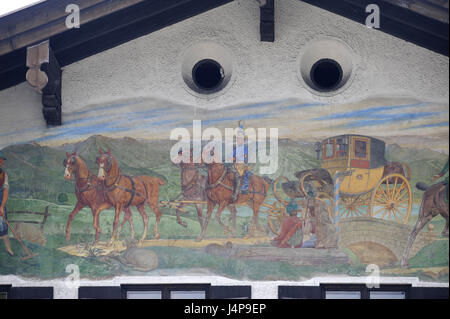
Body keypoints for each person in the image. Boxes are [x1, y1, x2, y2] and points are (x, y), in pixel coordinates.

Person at [229, 122, 252, 202]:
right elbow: (232, 156)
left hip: (242, 164)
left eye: (240, 139)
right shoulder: (235, 148)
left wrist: (237, 158)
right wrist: (232, 159)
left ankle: (239, 192)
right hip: (235, 164)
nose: (239, 140)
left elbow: (244, 157)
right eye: (238, 139)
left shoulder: (245, 147)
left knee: (239, 177)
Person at [0, 152, 13, 256]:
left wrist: (2, 206)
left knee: (3, 227)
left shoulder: (4, 175)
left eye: (2, 160)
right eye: (0, 159)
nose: (1, 162)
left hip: (0, 204)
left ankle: (8, 249)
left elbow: (5, 191)